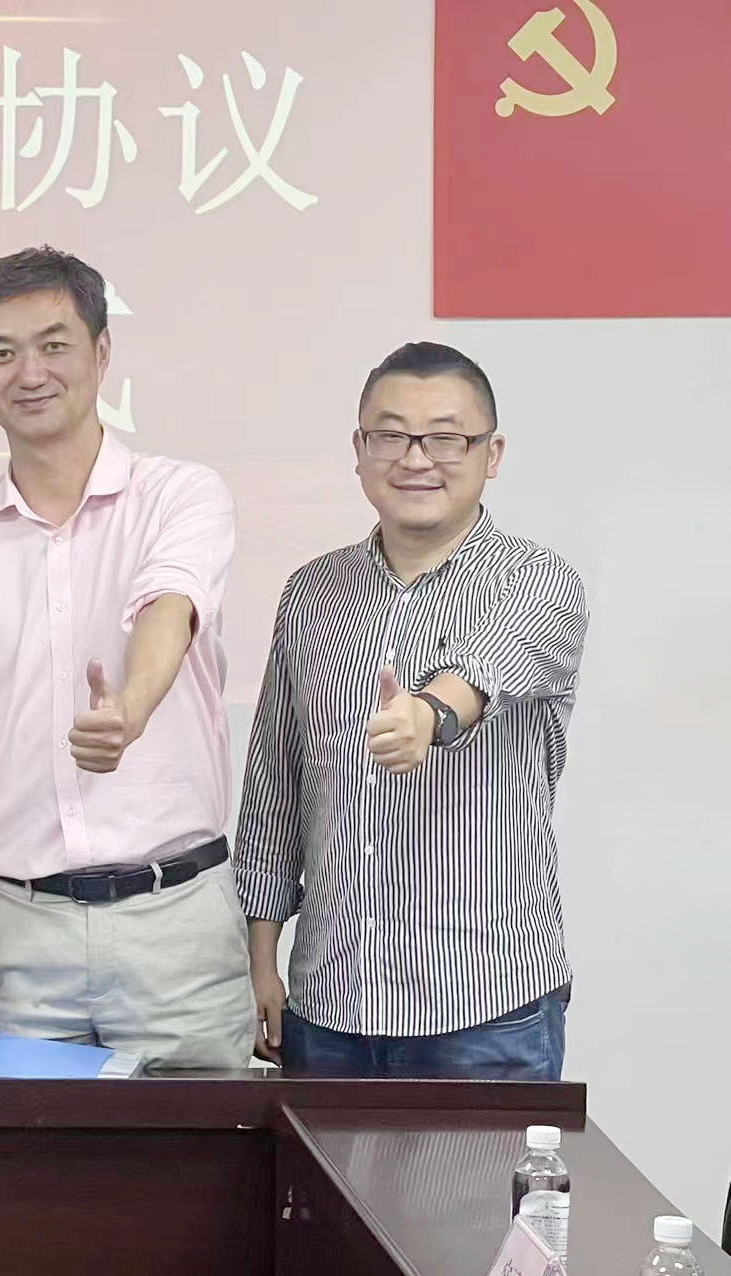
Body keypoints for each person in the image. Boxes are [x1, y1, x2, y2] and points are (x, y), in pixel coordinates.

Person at [0, 246, 254, 1066]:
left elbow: (169, 605)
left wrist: (131, 708)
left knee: (200, 1151)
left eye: (54, 345)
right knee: (20, 1155)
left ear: (101, 352)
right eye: (1, 353)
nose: (30, 373)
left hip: (176, 925)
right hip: (16, 934)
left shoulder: (181, 494)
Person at [235, 341, 588, 1080]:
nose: (416, 459)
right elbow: (274, 791)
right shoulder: (310, 593)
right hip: (327, 1007)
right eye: (390, 436)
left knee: (488, 1172)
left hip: (487, 1009)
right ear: (360, 450)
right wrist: (259, 961)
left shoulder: (538, 580)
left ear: (492, 454)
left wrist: (426, 715)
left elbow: (489, 667)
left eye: (446, 438)